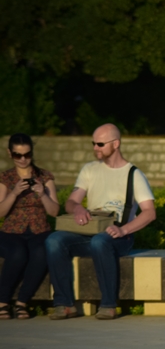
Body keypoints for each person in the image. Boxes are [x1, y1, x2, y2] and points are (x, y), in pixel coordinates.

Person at [44, 124, 156, 320]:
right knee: (54, 240)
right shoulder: (89, 169)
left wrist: (124, 230)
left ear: (116, 144)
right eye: (93, 143)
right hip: (90, 231)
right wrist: (78, 208)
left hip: (119, 236)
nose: (95, 148)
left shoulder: (134, 174)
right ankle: (65, 304)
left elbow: (149, 213)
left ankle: (109, 304)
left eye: (100, 144)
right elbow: (71, 202)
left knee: (100, 241)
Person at [0, 134, 59, 319]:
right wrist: (14, 193)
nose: (23, 159)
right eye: (18, 155)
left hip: (39, 230)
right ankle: (2, 301)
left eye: (27, 154)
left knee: (41, 252)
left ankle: (22, 302)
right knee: (18, 253)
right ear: (10, 153)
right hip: (11, 231)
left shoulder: (45, 176)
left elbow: (54, 211)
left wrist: (43, 194)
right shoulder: (5, 178)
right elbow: (1, 212)